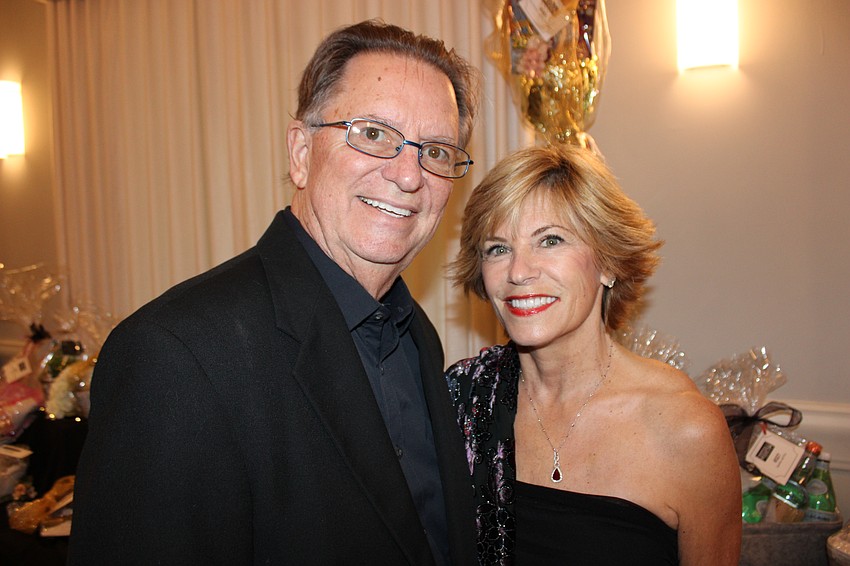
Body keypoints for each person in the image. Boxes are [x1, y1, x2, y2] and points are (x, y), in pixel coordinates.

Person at [68, 19, 480, 565]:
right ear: (301, 153)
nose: (409, 176)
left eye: (435, 150)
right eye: (374, 134)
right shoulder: (174, 355)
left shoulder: (416, 337)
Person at [446, 144, 742, 565]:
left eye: (550, 240)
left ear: (607, 263)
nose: (518, 272)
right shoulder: (460, 401)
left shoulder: (686, 431)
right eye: (498, 248)